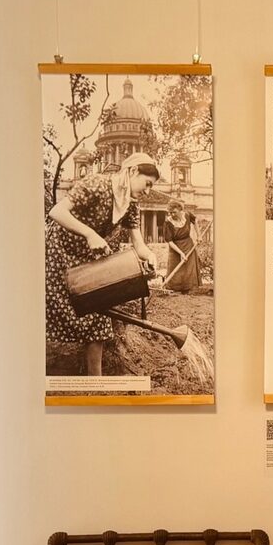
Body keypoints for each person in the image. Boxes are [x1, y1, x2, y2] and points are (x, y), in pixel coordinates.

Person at [46, 151, 161, 376]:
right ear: (133, 171)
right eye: (147, 183)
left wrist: (150, 255)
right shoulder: (96, 184)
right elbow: (56, 211)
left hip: (92, 258)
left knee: (98, 314)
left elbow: (138, 244)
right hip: (61, 252)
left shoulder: (129, 203)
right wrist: (90, 234)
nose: (148, 191)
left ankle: (95, 380)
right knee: (52, 310)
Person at [163, 201, 204, 293]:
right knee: (175, 268)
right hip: (175, 248)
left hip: (188, 245)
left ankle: (188, 289)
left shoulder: (187, 215)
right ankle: (174, 288)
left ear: (180, 210)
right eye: (170, 212)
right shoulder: (168, 222)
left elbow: (195, 221)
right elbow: (169, 241)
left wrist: (199, 235)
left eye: (174, 212)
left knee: (189, 268)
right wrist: (181, 253)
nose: (172, 214)